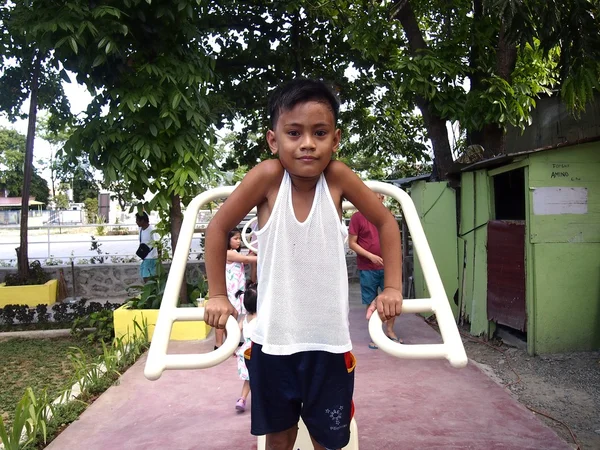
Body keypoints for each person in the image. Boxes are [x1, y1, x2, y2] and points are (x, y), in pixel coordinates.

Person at [204, 78, 402, 450]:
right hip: (273, 343)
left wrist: (392, 286)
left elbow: (386, 222)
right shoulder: (267, 177)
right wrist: (217, 294)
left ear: (335, 138)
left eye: (320, 132)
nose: (308, 143)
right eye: (294, 133)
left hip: (329, 344)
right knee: (279, 436)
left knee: (330, 440)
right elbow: (217, 228)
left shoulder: (338, 178)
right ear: (273, 140)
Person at [349, 193, 402, 349]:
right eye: (369, 196)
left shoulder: (388, 216)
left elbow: (395, 243)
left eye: (377, 196)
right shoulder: (357, 217)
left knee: (391, 301)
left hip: (388, 268)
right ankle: (376, 336)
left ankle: (390, 332)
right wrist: (370, 256)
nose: (373, 199)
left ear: (382, 199)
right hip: (368, 268)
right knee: (370, 302)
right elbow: (352, 243)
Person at [214, 228, 257, 350]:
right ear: (227, 240)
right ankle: (218, 345)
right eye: (235, 238)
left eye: (239, 238)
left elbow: (247, 257)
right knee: (224, 316)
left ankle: (229, 341)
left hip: (235, 290)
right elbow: (247, 259)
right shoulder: (228, 253)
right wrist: (264, 256)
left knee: (232, 315)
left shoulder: (234, 253)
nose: (239, 241)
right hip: (229, 290)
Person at [234, 281, 258, 413]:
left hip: (244, 351)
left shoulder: (244, 318)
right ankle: (260, 402)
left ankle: (242, 399)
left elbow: (236, 332)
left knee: (249, 379)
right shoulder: (261, 318)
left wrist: (233, 348)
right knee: (258, 378)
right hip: (255, 351)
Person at [135, 212, 159, 282]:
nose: (136, 222)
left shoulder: (152, 230)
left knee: (148, 278)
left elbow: (158, 243)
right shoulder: (141, 229)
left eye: (137, 220)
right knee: (145, 277)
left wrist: (159, 258)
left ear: (142, 220)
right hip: (146, 257)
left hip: (151, 258)